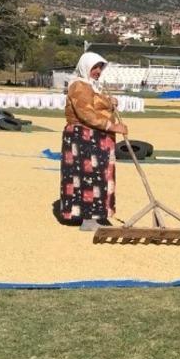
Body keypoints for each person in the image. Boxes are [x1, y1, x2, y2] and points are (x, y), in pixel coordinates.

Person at [60, 51, 127, 231]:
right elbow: (86, 113)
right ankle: (88, 218)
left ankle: (91, 214)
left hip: (96, 138)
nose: (97, 71)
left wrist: (109, 101)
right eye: (94, 67)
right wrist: (112, 126)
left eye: (100, 67)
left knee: (99, 176)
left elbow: (95, 103)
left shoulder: (92, 86)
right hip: (84, 139)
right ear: (85, 67)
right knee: (87, 176)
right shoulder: (79, 86)